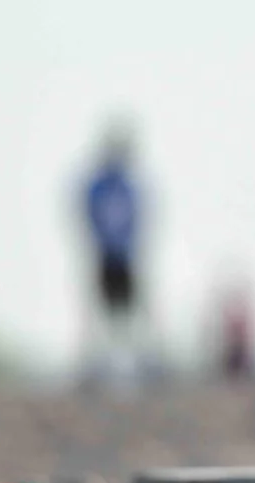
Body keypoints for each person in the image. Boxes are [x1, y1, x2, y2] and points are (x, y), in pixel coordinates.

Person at [79, 120, 146, 383]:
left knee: (128, 313)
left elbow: (137, 219)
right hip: (105, 255)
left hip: (124, 256)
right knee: (101, 312)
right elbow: (90, 216)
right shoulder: (99, 186)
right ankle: (100, 364)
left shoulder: (126, 186)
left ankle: (128, 365)